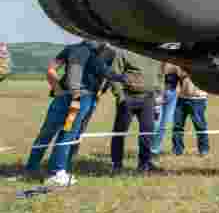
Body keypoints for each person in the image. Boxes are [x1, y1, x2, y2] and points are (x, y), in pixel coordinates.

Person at [25, 40, 128, 186]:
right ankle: (57, 172)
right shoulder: (96, 56)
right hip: (80, 99)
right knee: (68, 133)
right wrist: (124, 78)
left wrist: (58, 90)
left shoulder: (71, 48)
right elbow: (107, 73)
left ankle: (31, 168)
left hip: (61, 97)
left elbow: (51, 70)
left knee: (46, 133)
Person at [108, 46, 163, 174]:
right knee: (120, 132)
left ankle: (144, 164)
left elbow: (160, 75)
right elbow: (113, 75)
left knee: (147, 132)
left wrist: (159, 94)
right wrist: (120, 96)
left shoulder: (154, 53)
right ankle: (116, 165)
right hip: (128, 98)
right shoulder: (124, 52)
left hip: (148, 99)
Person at [170, 63, 209, 156]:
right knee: (177, 125)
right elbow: (175, 78)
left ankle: (203, 149)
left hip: (198, 99)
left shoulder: (203, 63)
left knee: (200, 126)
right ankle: (177, 150)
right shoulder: (179, 64)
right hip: (182, 99)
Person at [150, 61, 180, 157]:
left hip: (172, 94)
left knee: (165, 124)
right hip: (159, 94)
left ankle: (155, 150)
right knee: (156, 124)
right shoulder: (157, 60)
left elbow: (183, 73)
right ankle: (147, 149)